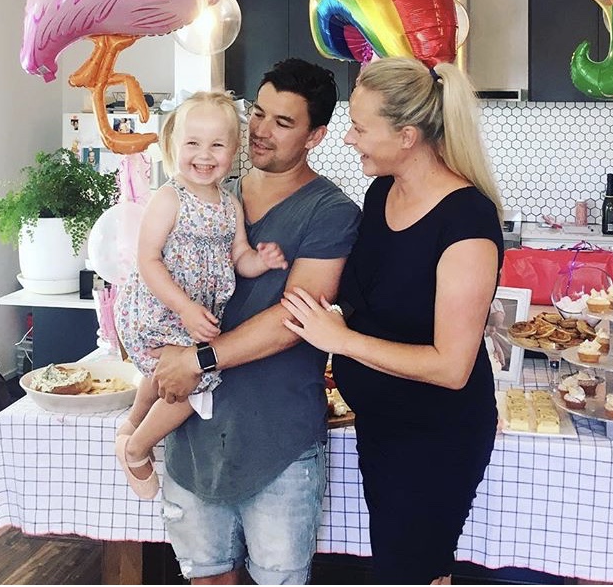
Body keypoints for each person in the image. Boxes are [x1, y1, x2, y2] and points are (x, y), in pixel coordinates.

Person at [281, 56, 504, 585]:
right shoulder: (382, 192)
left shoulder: (466, 221)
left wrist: (342, 340)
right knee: (407, 568)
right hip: (381, 425)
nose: (348, 139)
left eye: (360, 128)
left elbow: (451, 367)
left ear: (407, 136)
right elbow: (373, 299)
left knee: (410, 571)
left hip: (436, 437)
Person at [150, 58, 362, 584]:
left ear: (315, 136)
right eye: (258, 114)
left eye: (283, 122)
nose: (261, 131)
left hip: (277, 440)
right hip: (194, 436)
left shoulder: (330, 211)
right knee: (206, 577)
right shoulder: (209, 193)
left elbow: (296, 317)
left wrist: (197, 360)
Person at [114, 91, 288, 500]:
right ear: (174, 145)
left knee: (167, 370)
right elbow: (148, 260)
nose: (204, 155)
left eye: (217, 145)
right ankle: (137, 449)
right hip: (159, 310)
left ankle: (130, 427)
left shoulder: (230, 204)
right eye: (193, 143)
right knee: (198, 380)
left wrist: (260, 261)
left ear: (234, 150)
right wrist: (185, 308)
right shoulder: (169, 198)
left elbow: (239, 256)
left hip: (192, 315)